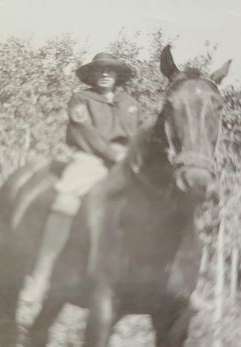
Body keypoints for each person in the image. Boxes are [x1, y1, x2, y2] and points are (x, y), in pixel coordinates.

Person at [18, 52, 141, 306]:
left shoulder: (129, 102)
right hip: (90, 159)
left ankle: (162, 278)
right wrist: (111, 154)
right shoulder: (81, 100)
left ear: (117, 75)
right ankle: (41, 276)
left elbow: (135, 134)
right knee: (66, 198)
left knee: (157, 196)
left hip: (126, 163)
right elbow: (84, 131)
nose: (105, 74)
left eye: (110, 70)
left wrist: (132, 156)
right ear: (93, 75)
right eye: (100, 70)